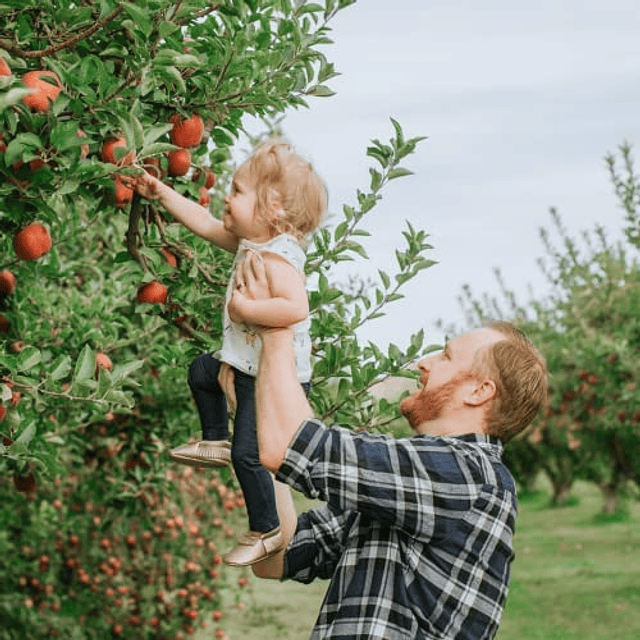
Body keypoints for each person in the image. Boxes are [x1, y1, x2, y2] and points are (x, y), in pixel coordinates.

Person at [228, 252, 548, 639]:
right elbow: (277, 556)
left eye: (446, 356)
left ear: (479, 391)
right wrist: (255, 411)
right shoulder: (407, 491)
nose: (423, 364)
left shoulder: (469, 477)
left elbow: (293, 448)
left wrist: (277, 328)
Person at [131, 139, 327, 566]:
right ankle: (215, 438)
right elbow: (202, 222)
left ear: (272, 209)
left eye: (237, 191)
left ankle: (267, 529)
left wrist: (245, 309)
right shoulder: (250, 242)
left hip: (270, 377)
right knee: (202, 373)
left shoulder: (280, 259)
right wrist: (162, 193)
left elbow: (296, 308)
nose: (226, 196)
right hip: (244, 361)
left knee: (249, 455)